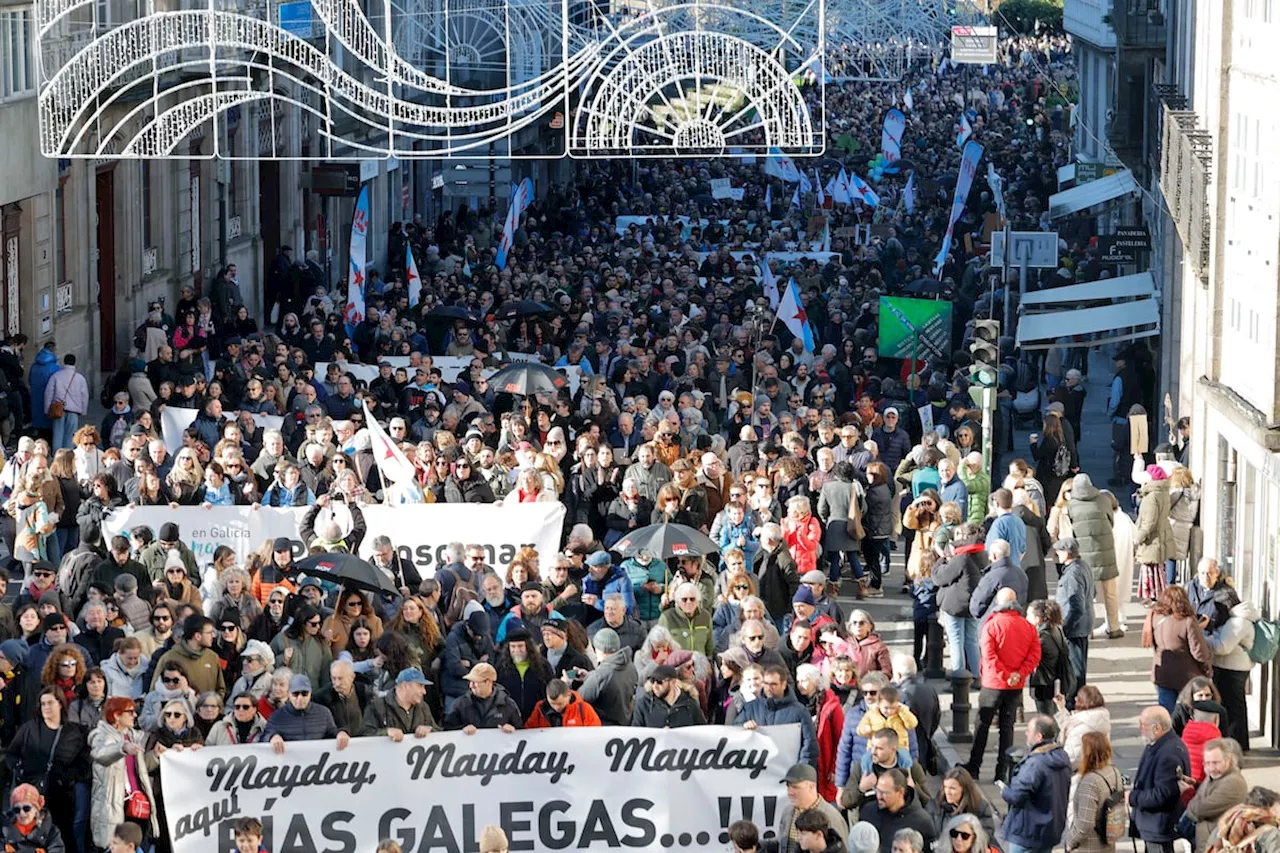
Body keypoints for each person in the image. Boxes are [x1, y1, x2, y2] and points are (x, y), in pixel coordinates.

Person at [967, 588, 1040, 783]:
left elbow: (989, 656)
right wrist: (1018, 674)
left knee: (982, 724)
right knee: (1007, 728)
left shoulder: (991, 626)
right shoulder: (1028, 626)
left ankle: (974, 766)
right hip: (1015, 686)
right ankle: (1002, 772)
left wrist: (1005, 675)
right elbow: (1034, 655)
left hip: (993, 684)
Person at [6, 687, 87, 850]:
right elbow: (12, 754)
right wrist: (19, 771)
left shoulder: (74, 732)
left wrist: (67, 778)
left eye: (50, 703)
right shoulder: (29, 728)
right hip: (30, 793)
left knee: (60, 838)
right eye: (43, 704)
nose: (46, 707)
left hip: (61, 795)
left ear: (60, 704)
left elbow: (83, 764)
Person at [89, 697, 158, 849]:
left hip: (138, 804)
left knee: (138, 847)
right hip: (116, 805)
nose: (135, 715)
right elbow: (101, 754)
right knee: (115, 847)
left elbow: (140, 768)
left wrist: (155, 755)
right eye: (130, 712)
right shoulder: (100, 735)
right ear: (116, 715)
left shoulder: (134, 735)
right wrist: (122, 748)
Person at [1000, 714, 1072, 853]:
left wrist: (1005, 791)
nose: (1026, 733)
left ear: (1039, 736)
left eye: (1029, 730)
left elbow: (1017, 796)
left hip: (1028, 832)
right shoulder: (1062, 757)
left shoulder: (1035, 764)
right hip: (1050, 831)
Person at [1130, 706, 1192, 853]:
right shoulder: (1158, 744)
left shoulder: (1168, 754)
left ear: (1157, 728)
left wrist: (1133, 797)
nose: (1140, 729)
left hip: (1159, 827)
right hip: (1153, 826)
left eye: (1143, 725)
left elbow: (1162, 795)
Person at [1146, 585, 1213, 712]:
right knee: (1189, 713)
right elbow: (1199, 653)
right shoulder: (1188, 621)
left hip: (1163, 676)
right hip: (1187, 677)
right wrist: (1207, 669)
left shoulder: (1155, 618)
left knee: (1166, 714)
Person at [738, 664, 818, 766]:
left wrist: (800, 773)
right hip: (756, 773)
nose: (768, 688)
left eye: (773, 684)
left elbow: (809, 746)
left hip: (788, 773)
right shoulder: (750, 708)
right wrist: (743, 727)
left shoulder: (800, 711)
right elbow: (735, 734)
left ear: (784, 685)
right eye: (766, 684)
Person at [1207, 595, 1258, 750]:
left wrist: (1205, 639)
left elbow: (1223, 647)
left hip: (1233, 669)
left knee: (1234, 708)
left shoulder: (1238, 622)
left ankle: (1238, 744)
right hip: (1232, 667)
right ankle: (1237, 742)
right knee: (1234, 706)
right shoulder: (1236, 619)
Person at [1184, 738, 1249, 851]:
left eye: (1216, 763)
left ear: (1228, 760)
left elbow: (1197, 809)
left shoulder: (1233, 783)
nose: (1211, 768)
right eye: (1207, 763)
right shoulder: (1214, 776)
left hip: (1219, 847)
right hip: (1206, 843)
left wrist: (1192, 800)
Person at [262, 674, 352, 753]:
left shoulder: (323, 713)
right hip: (288, 767)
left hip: (317, 765)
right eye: (295, 694)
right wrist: (273, 737)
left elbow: (332, 731)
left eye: (304, 693)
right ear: (289, 694)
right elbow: (265, 735)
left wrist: (341, 733)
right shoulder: (277, 716)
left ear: (310, 694)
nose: (300, 698)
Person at [1053, 537, 1094, 705]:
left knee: (1075, 669)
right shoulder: (1083, 566)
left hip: (1075, 627)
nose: (1057, 555)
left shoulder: (1072, 575)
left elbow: (1076, 606)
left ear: (1067, 553)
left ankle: (1074, 701)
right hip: (1084, 623)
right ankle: (1079, 699)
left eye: (1059, 552)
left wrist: (1064, 628)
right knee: (1079, 665)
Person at [858, 768, 935, 853]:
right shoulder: (868, 811)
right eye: (877, 791)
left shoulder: (922, 821)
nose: (879, 797)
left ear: (900, 792)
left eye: (884, 793)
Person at [776, 764, 849, 853]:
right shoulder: (788, 811)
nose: (790, 792)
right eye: (788, 786)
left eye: (795, 787)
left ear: (811, 787)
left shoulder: (831, 817)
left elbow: (842, 849)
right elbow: (781, 843)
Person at [578, 628, 637, 726]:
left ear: (602, 650)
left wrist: (567, 684)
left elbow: (580, 699)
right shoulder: (630, 665)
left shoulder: (601, 675)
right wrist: (590, 676)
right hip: (626, 724)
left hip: (604, 729)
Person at [361, 667, 438, 739]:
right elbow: (365, 734)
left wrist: (429, 730)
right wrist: (386, 732)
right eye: (420, 686)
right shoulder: (377, 706)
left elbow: (439, 732)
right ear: (405, 686)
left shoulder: (423, 707)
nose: (424, 692)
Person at [443, 663, 523, 732]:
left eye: (475, 682)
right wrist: (462, 729)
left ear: (489, 682)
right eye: (470, 681)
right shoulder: (459, 704)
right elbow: (448, 729)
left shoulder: (508, 704)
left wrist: (512, 730)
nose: (471, 686)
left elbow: (521, 731)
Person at [927, 767, 998, 842]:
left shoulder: (980, 807)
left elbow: (986, 834)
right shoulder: (934, 806)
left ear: (964, 789)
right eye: (945, 787)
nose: (947, 792)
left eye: (952, 788)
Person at [631, 664, 704, 727]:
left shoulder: (690, 704)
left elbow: (702, 732)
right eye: (652, 681)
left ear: (673, 682)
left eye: (660, 682)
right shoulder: (644, 703)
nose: (655, 686)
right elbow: (636, 732)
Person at [1, 785, 64, 853]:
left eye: (26, 808)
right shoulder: (4, 829)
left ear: (36, 809)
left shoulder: (51, 831)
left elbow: (57, 849)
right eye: (17, 810)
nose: (22, 813)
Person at [524, 678, 601, 728]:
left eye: (560, 703)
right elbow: (528, 731)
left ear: (568, 695)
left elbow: (595, 733)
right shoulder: (540, 709)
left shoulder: (584, 709)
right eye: (552, 704)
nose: (556, 707)